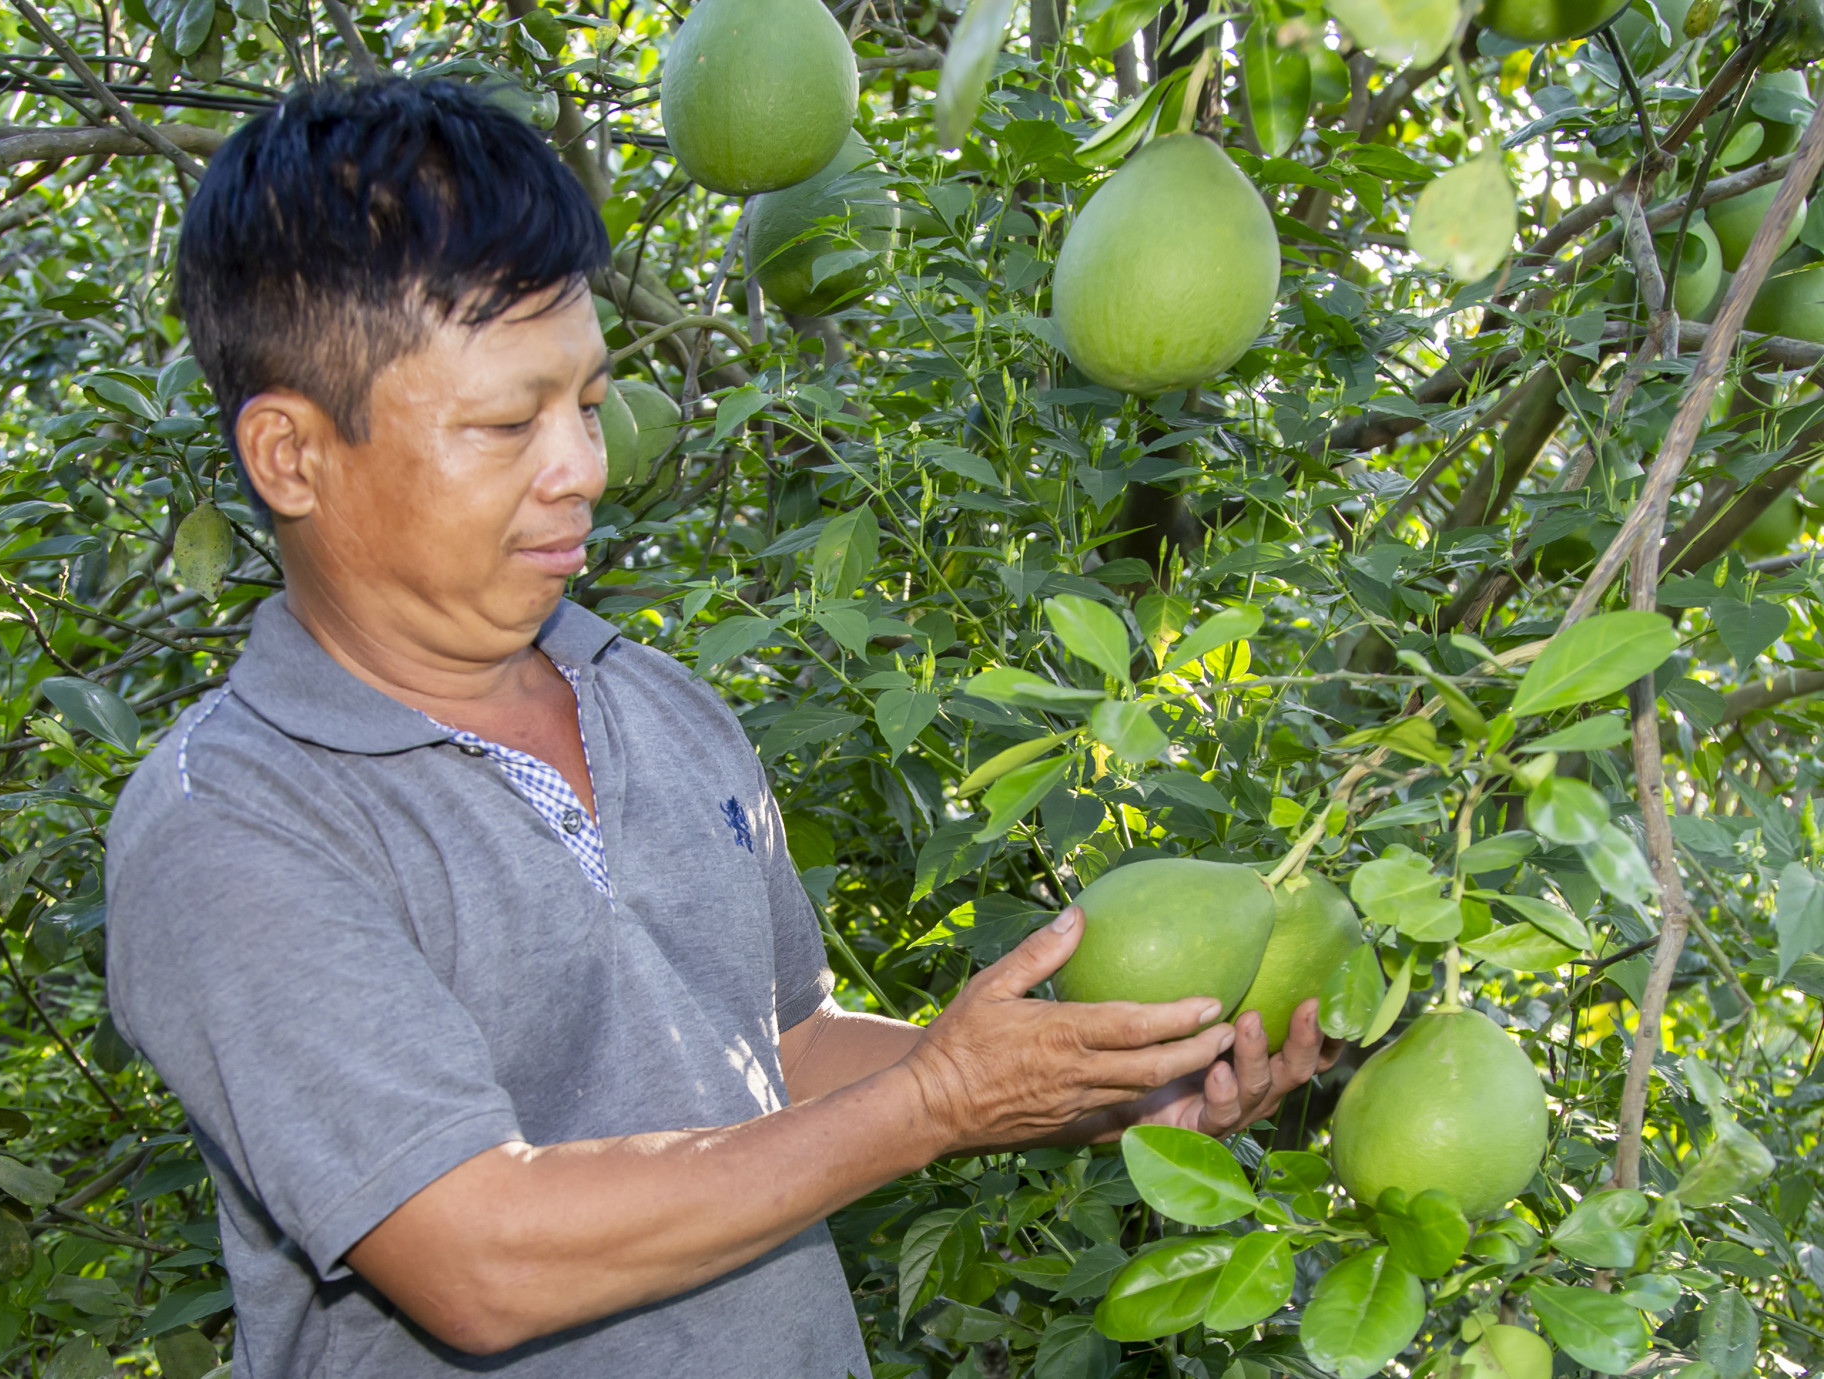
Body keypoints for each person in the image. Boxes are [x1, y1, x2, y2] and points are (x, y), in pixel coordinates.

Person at [105, 79, 1339, 1378]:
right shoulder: (234, 822)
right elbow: (479, 1255)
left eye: (586, 403)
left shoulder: (652, 702)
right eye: (507, 423)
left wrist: (1076, 1086)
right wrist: (940, 1104)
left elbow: (782, 1050)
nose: (581, 464)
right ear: (292, 455)